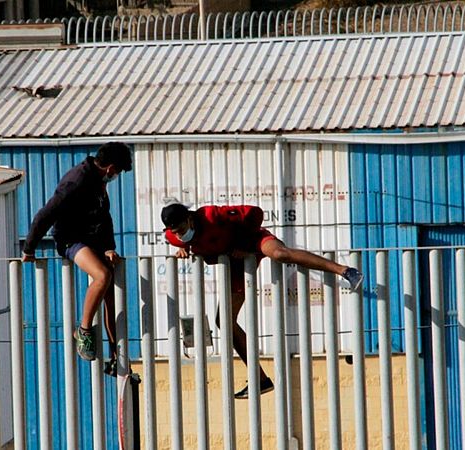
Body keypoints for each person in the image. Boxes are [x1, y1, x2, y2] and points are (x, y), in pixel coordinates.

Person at [161, 202, 363, 398]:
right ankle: (260, 380)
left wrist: (242, 244)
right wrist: (185, 247)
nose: (179, 234)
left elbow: (255, 213)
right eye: (175, 232)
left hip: (252, 242)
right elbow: (191, 243)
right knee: (224, 322)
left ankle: (345, 271)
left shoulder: (212, 215)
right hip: (235, 262)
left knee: (279, 254)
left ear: (189, 218)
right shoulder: (174, 237)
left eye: (181, 229)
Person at [22, 142, 132, 370]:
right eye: (118, 172)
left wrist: (109, 247)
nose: (117, 176)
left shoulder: (99, 180)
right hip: (70, 240)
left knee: (110, 286)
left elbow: (105, 217)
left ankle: (115, 353)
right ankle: (83, 330)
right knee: (101, 276)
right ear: (111, 168)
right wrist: (29, 248)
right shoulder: (77, 181)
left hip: (93, 240)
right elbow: (46, 214)